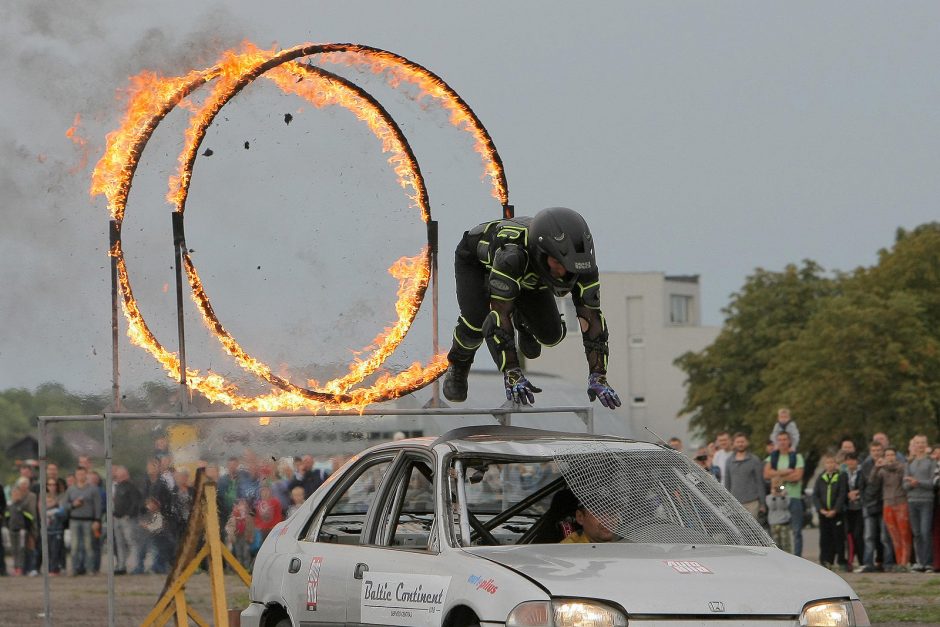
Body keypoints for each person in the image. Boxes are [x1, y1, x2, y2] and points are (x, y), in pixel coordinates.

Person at [441, 207, 621, 409]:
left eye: (571, 267)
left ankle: (523, 321)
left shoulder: (584, 267)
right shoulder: (512, 256)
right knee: (476, 323)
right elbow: (499, 318)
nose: (564, 273)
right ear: (541, 253)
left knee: (551, 336)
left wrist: (598, 374)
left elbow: (592, 319)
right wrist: (512, 373)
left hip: (527, 277)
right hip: (477, 263)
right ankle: (458, 363)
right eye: (558, 263)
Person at [763, 432, 805, 556]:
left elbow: (797, 476)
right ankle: (781, 556)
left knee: (796, 530)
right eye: (779, 440)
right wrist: (786, 472)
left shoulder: (797, 457)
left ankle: (797, 557)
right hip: (777, 498)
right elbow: (766, 474)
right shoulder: (772, 457)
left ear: (789, 441)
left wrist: (777, 475)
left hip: (794, 497)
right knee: (777, 531)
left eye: (785, 439)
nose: (782, 442)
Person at [874, 447, 912, 571]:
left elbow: (902, 474)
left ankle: (904, 562)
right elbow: (873, 483)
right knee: (893, 535)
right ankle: (898, 561)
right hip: (887, 503)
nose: (890, 457)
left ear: (895, 456)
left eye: (892, 454)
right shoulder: (882, 470)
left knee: (904, 534)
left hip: (901, 502)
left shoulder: (902, 467)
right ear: (884, 457)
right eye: (888, 455)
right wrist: (876, 468)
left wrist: (886, 466)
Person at [903, 434, 936, 572]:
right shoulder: (909, 463)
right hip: (912, 501)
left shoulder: (931, 462)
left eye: (923, 442)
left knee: (925, 531)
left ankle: (928, 563)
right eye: (917, 443)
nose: (920, 445)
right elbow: (904, 485)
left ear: (926, 444)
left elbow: (933, 483)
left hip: (926, 501)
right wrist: (911, 484)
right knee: (916, 533)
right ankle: (919, 562)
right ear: (914, 445)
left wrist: (918, 482)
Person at [858, 440, 890, 572]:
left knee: (884, 537)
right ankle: (868, 563)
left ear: (882, 451)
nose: (876, 453)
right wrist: (865, 501)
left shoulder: (888, 464)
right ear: (870, 452)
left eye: (878, 451)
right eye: (874, 451)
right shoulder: (866, 465)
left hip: (885, 503)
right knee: (869, 536)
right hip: (869, 504)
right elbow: (866, 486)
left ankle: (888, 563)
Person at [64, 466, 101, 576]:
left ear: (86, 475)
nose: (80, 476)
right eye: (78, 474)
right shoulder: (71, 489)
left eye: (82, 474)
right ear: (75, 475)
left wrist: (97, 520)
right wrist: (73, 505)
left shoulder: (93, 489)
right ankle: (75, 568)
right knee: (74, 546)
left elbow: (97, 506)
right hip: (74, 521)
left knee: (88, 546)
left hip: (89, 521)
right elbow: (64, 505)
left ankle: (89, 569)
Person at [813, 454, 847, 569]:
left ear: (836, 464)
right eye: (827, 463)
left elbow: (842, 494)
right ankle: (825, 561)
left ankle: (841, 561)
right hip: (824, 513)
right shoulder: (820, 477)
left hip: (836, 514)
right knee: (825, 538)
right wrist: (820, 509)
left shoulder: (841, 476)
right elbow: (815, 495)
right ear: (824, 464)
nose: (830, 465)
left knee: (838, 538)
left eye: (832, 462)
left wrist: (835, 509)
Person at [725, 433, 766, 519]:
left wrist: (762, 504)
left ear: (747, 442)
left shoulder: (754, 460)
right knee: (739, 531)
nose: (740, 444)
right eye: (738, 442)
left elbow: (760, 483)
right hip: (735, 503)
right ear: (734, 443)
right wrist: (727, 502)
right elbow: (727, 483)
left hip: (752, 503)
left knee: (753, 530)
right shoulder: (729, 461)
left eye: (742, 441)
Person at [111, 465, 142, 575]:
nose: (117, 476)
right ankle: (121, 566)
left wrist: (129, 514)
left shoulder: (131, 487)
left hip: (127, 519)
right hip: (117, 518)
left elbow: (135, 502)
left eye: (119, 474)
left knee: (132, 542)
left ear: (125, 475)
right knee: (119, 543)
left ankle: (136, 566)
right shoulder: (118, 486)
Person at [8, 477, 38, 576]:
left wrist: (28, 526)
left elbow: (30, 516)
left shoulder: (28, 500)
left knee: (24, 549)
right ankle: (17, 567)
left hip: (24, 529)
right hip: (13, 530)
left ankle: (26, 568)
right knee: (15, 549)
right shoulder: (10, 506)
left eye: (25, 484)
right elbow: (7, 516)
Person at [843, 452, 864, 571]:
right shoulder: (843, 475)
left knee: (859, 535)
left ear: (857, 461)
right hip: (848, 509)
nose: (851, 462)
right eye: (848, 460)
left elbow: (865, 487)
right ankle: (850, 561)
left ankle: (862, 561)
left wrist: (858, 493)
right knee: (849, 536)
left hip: (859, 508)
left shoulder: (862, 473)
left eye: (853, 460)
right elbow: (841, 490)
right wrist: (848, 494)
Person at [43, 480, 67, 575]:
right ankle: (50, 568)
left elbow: (63, 515)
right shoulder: (45, 510)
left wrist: (55, 511)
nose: (49, 503)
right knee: (48, 551)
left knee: (56, 551)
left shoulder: (58, 510)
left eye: (51, 501)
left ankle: (55, 569)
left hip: (57, 532)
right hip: (48, 532)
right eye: (47, 501)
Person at [766, 477, 792, 553]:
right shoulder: (769, 497)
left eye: (779, 486)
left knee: (786, 544)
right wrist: (774, 496)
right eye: (775, 487)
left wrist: (782, 496)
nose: (777, 488)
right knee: (776, 544)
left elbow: (785, 506)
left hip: (784, 522)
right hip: (774, 523)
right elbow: (772, 507)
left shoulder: (786, 496)